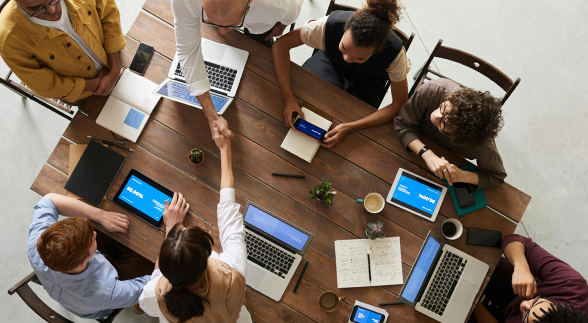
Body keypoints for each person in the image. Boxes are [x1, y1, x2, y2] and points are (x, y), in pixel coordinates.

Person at [139, 124, 248, 323]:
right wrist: (225, 149)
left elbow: (150, 299)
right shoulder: (231, 271)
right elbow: (229, 211)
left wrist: (171, 230)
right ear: (207, 258)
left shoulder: (153, 293)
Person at [272, 0, 411, 148]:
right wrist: (288, 98)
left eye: (359, 57)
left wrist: (350, 127)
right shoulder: (327, 27)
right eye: (344, 48)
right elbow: (280, 45)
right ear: (344, 30)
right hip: (330, 62)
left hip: (370, 80)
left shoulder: (395, 55)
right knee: (306, 103)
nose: (347, 59)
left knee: (352, 140)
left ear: (378, 50)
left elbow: (398, 104)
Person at [172, 0, 303, 140]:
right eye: (212, 21)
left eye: (231, 24)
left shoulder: (284, 6)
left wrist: (282, 25)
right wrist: (211, 115)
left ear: (249, 4)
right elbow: (188, 52)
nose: (222, 32)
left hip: (262, 24)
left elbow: (291, 16)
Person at [28, 193, 154, 319]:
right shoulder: (104, 292)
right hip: (104, 298)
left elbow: (49, 199)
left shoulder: (39, 244)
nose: (94, 234)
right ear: (83, 263)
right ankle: (138, 306)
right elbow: (152, 286)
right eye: (93, 240)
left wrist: (101, 216)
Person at [0, 0, 126, 105]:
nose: (52, 10)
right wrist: (95, 85)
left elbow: (109, 15)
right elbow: (44, 84)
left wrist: (114, 69)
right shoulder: (8, 40)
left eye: (53, 0)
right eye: (36, 9)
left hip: (115, 58)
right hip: (84, 93)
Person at [394, 78, 506, 190]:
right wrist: (427, 154)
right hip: (410, 147)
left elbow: (497, 177)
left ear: (460, 136)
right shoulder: (434, 90)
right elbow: (402, 124)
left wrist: (462, 175)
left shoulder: (481, 143)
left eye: (445, 124)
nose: (436, 116)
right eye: (444, 108)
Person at [472, 234, 588, 323]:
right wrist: (521, 266)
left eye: (525, 314)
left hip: (502, 317)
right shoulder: (571, 284)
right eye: (537, 301)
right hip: (513, 285)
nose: (523, 304)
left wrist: (473, 302)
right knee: (478, 258)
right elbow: (512, 239)